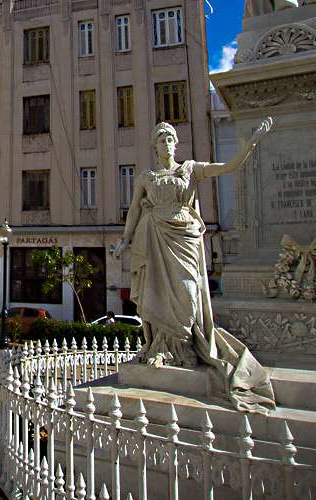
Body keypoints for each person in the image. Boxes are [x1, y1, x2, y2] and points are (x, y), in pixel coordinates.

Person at [110, 120, 276, 413]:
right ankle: (163, 347)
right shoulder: (146, 177)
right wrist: (124, 241)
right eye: (162, 140)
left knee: (188, 295)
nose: (167, 143)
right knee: (156, 293)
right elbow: (135, 209)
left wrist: (249, 144)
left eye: (171, 139)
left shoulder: (190, 169)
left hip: (183, 237)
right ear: (155, 146)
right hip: (154, 236)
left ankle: (185, 345)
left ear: (176, 144)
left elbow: (226, 167)